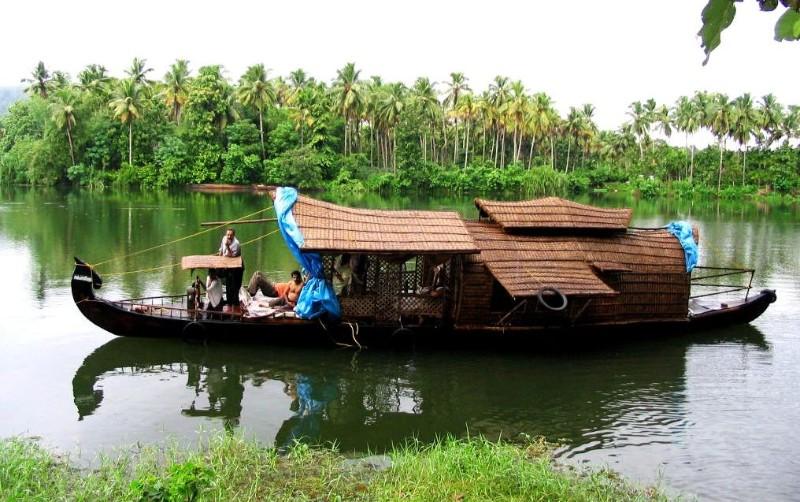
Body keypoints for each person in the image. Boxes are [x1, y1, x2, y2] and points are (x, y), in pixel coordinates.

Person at [217, 228, 243, 307]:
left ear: (233, 235)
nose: (228, 236)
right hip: (228, 266)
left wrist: (228, 246)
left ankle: (235, 307)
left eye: (230, 235)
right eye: (227, 234)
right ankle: (229, 304)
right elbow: (221, 250)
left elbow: (232, 257)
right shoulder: (224, 238)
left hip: (237, 268)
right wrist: (219, 260)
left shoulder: (236, 244)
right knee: (228, 287)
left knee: (235, 288)